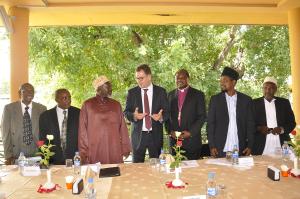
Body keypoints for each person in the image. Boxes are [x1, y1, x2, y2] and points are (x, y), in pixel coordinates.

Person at [78, 76, 131, 164]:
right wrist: (83, 152)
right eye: (107, 86)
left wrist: (125, 147)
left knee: (116, 174)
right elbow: (82, 130)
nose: (111, 88)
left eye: (110, 86)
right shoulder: (88, 105)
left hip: (114, 147)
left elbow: (123, 128)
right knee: (96, 175)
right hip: (95, 148)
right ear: (99, 88)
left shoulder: (116, 105)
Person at [124, 64, 169, 163]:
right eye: (137, 78)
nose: (139, 81)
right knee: (137, 168)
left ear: (149, 76)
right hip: (138, 137)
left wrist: (161, 117)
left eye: (141, 78)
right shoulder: (132, 93)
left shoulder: (161, 92)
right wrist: (134, 116)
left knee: (157, 166)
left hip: (155, 135)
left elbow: (167, 112)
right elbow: (126, 113)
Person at [207, 67, 255, 158]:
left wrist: (250, 145)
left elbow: (250, 124)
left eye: (225, 81)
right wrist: (212, 145)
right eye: (221, 81)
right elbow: (210, 124)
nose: (222, 83)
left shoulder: (246, 100)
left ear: (233, 82)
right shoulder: (215, 100)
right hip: (220, 148)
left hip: (240, 148)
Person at [1, 83, 47, 165]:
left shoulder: (42, 109)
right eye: (25, 91)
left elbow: (45, 132)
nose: (29, 93)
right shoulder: (9, 109)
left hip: (37, 153)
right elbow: (5, 133)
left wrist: (44, 152)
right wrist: (8, 155)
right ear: (19, 93)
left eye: (32, 91)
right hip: (16, 155)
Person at [166, 69, 206, 160]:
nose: (179, 80)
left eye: (182, 78)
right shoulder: (170, 95)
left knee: (192, 171)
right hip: (175, 140)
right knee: (176, 167)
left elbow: (202, 117)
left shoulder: (198, 95)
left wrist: (190, 132)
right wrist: (170, 131)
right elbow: (166, 116)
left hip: (191, 141)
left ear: (188, 79)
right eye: (177, 78)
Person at [252, 77, 296, 155]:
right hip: (260, 146)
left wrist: (282, 129)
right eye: (265, 88)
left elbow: (292, 123)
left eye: (271, 88)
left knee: (285, 166)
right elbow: (248, 124)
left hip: (282, 145)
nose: (268, 91)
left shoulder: (284, 103)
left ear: (275, 89)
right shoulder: (254, 103)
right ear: (262, 89)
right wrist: (259, 128)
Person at [39, 89, 80, 164]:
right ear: (56, 99)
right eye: (64, 98)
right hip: (53, 159)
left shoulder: (78, 113)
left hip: (75, 158)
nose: (68, 100)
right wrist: (44, 158)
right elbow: (41, 139)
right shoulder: (45, 116)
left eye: (69, 97)